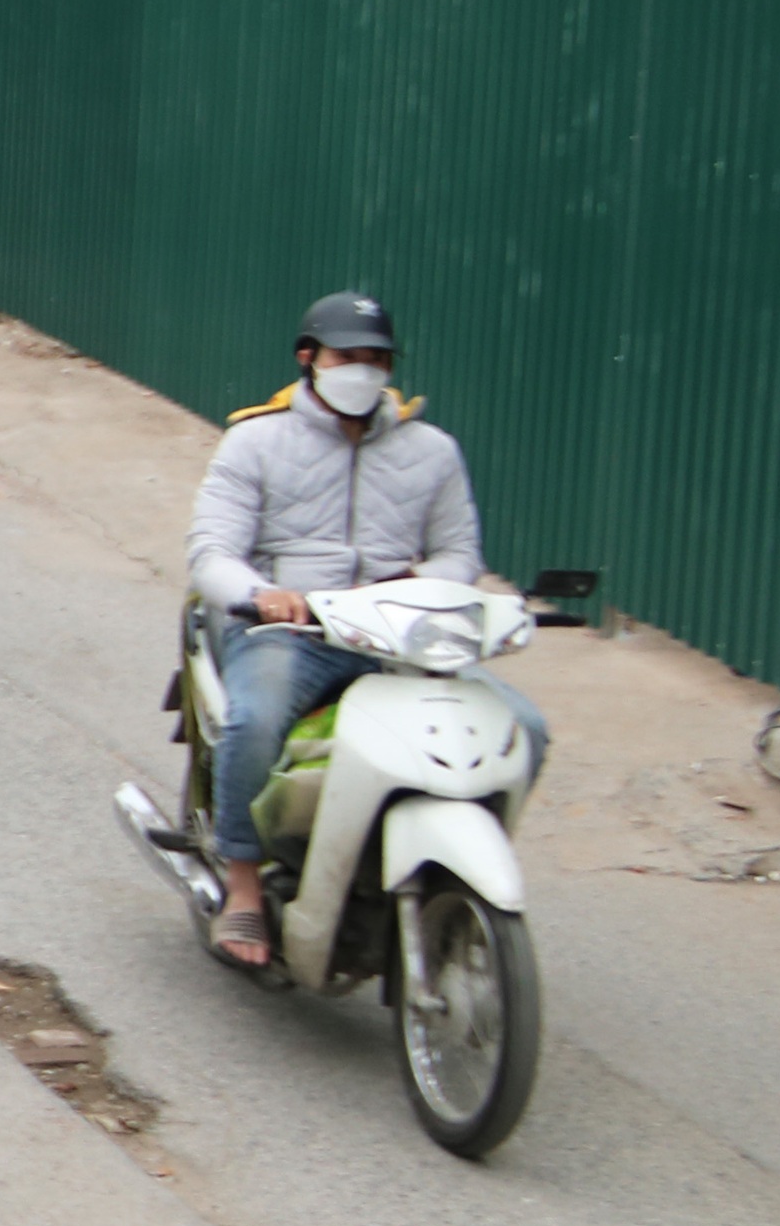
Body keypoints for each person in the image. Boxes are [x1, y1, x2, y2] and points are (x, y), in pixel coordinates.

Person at [181, 289, 524, 967]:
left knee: (524, 727)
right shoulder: (255, 438)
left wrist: (424, 587)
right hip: (291, 631)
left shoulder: (433, 450)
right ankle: (245, 886)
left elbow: (461, 552)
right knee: (256, 718)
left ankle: (455, 873)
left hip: (397, 635)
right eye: (347, 356)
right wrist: (264, 595)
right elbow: (212, 552)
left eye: (376, 358)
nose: (362, 370)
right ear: (309, 358)